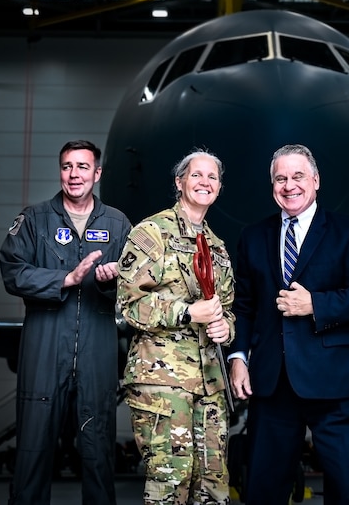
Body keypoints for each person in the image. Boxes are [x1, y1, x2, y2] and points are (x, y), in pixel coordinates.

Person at [228, 143, 349, 505]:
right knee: (263, 491)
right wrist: (238, 357)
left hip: (337, 385)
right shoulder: (253, 237)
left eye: (297, 176)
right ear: (272, 187)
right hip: (273, 384)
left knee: (347, 491)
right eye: (280, 178)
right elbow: (244, 306)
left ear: (315, 180)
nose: (289, 185)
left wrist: (315, 303)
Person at [0, 139, 131, 505]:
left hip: (98, 347)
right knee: (32, 451)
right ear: (60, 171)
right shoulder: (35, 219)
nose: (74, 175)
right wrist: (65, 280)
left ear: (97, 173)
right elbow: (12, 271)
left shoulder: (118, 224)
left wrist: (110, 282)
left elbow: (136, 285)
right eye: (68, 166)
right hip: (44, 345)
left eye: (83, 167)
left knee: (98, 451)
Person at [116, 148, 234, 505]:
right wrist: (186, 312)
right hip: (162, 384)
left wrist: (226, 328)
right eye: (196, 175)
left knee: (213, 484)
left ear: (218, 188)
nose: (205, 182)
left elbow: (227, 310)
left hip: (210, 383)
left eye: (212, 177)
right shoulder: (152, 233)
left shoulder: (217, 249)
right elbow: (129, 304)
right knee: (171, 481)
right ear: (179, 182)